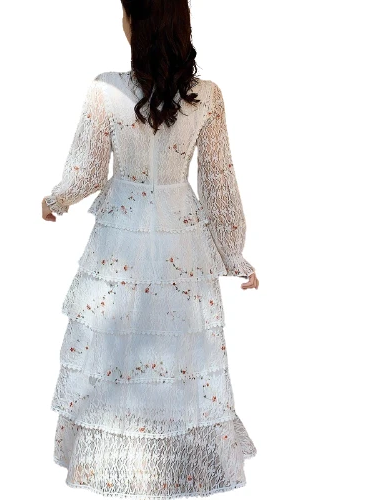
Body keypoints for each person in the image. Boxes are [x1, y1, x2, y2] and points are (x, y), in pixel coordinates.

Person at [41, 1, 259, 497]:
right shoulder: (207, 96)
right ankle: (173, 470)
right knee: (181, 354)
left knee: (115, 350)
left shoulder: (105, 90)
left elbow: (87, 173)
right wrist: (233, 253)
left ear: (135, 25)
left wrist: (55, 200)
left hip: (120, 231)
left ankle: (127, 470)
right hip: (182, 236)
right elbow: (219, 183)